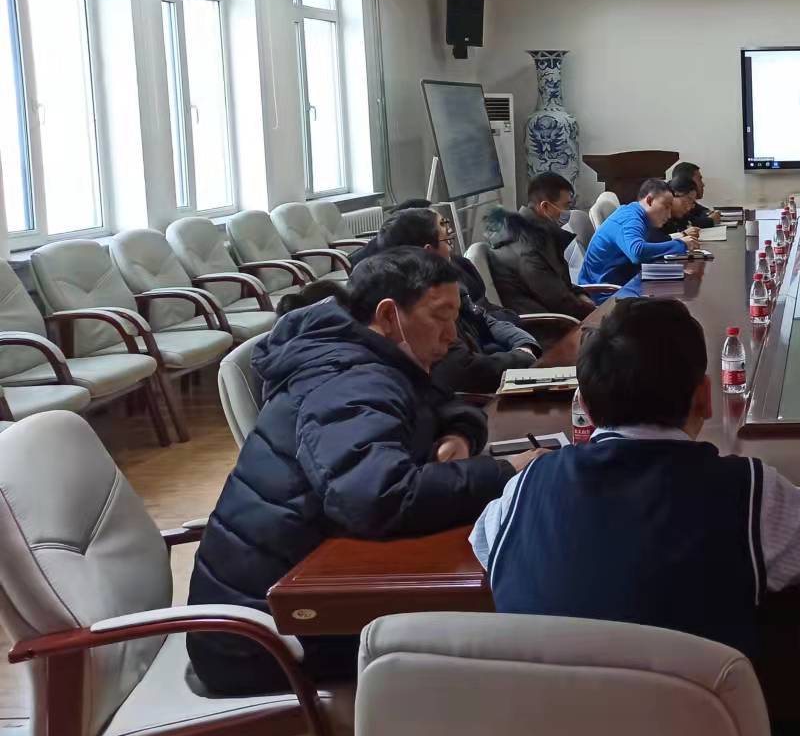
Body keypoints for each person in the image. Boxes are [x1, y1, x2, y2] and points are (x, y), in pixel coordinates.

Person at [187, 250, 544, 695]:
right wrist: (505, 472)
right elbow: (378, 497)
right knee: (490, 637)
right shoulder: (347, 379)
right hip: (263, 638)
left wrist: (458, 435)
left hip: (289, 601)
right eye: (440, 317)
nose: (452, 335)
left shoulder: (368, 355)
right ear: (390, 316)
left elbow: (440, 403)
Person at [472, 295, 800, 647]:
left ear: (586, 409)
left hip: (546, 711)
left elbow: (485, 545)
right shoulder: (748, 494)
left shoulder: (524, 489)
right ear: (705, 398)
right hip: (703, 711)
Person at [371, 206, 570, 392]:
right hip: (483, 392)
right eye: (448, 241)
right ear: (428, 252)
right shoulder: (416, 306)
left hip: (497, 369)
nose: (450, 333)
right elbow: (465, 371)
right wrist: (522, 356)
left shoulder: (448, 282)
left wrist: (524, 345)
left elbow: (483, 318)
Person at [484, 173, 598, 320]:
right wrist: (594, 312)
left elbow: (560, 285)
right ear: (545, 207)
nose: (568, 212)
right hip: (546, 326)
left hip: (557, 316)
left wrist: (580, 294)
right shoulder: (526, 248)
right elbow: (558, 301)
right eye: (566, 206)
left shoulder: (538, 235)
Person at [578, 177, 690, 290]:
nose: (669, 215)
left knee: (682, 279)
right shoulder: (630, 218)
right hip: (606, 292)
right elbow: (637, 253)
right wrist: (681, 245)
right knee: (680, 291)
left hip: (626, 280)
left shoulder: (638, 215)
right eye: (666, 207)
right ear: (649, 200)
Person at [662, 160, 720, 232]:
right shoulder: (661, 208)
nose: (703, 184)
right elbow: (689, 223)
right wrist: (709, 220)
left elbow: (700, 212)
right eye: (699, 179)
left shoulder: (684, 200)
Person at [660, 170, 707, 243]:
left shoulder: (679, 216)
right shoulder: (658, 213)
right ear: (673, 195)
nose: (688, 208)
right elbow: (652, 240)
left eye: (692, 203)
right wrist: (683, 234)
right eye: (687, 201)